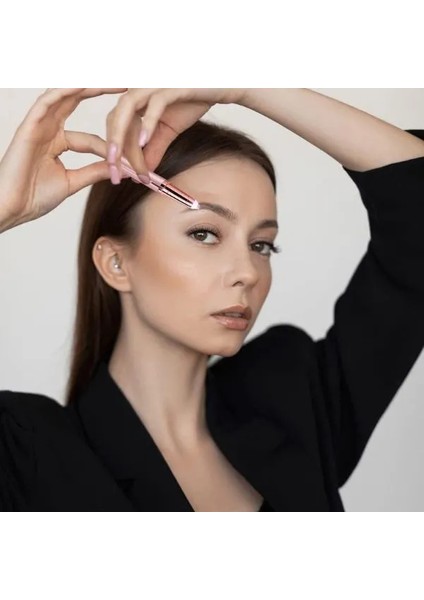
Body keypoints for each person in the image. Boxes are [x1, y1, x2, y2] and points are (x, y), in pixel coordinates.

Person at [0, 88, 423, 511]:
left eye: (261, 245)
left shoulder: (291, 400)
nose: (247, 272)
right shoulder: (29, 452)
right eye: (204, 234)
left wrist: (248, 87)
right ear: (116, 263)